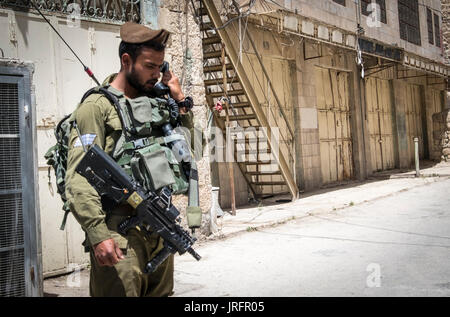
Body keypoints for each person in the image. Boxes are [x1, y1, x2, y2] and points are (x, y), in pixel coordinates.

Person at [65, 22, 196, 297]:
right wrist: (98, 233)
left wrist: (180, 102)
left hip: (160, 231)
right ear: (127, 61)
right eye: (150, 66)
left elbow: (192, 153)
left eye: (160, 67)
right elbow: (77, 178)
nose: (156, 74)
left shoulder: (158, 105)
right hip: (120, 237)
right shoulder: (95, 108)